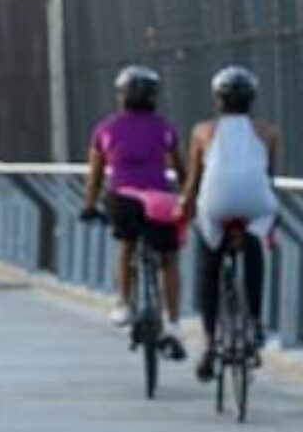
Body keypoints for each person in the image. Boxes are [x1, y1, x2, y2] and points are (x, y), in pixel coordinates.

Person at [179, 65, 281, 383]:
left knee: (209, 263)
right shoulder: (269, 132)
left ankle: (210, 342)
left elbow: (194, 181)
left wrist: (184, 208)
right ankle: (255, 322)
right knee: (253, 248)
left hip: (217, 203)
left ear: (217, 99)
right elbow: (268, 177)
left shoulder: (202, 132)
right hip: (255, 202)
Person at [82, 64, 187, 358]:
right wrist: (187, 199)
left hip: (124, 199)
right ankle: (174, 322)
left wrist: (90, 206)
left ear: (122, 96)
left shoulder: (106, 129)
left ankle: (124, 304)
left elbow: (96, 175)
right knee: (168, 259)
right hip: (161, 202)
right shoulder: (165, 128)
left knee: (127, 246)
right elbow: (180, 170)